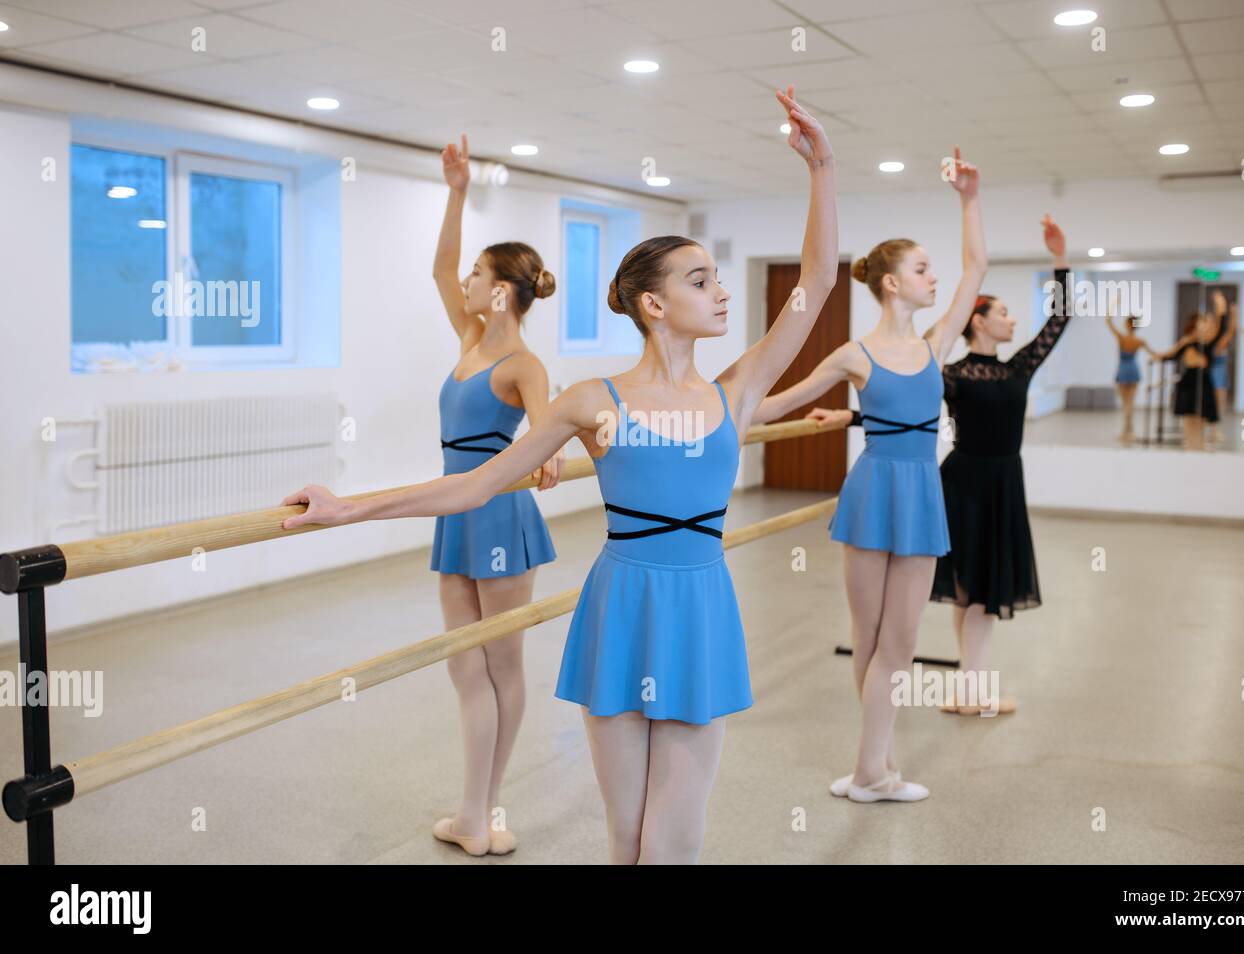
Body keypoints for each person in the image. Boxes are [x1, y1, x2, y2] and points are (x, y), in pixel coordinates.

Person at [280, 87, 838, 863]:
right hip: (620, 606)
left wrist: (822, 168)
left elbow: (816, 286)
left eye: (717, 278)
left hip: (700, 606)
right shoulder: (591, 401)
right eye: (701, 280)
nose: (720, 293)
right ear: (653, 303)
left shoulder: (734, 393)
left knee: (675, 840)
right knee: (626, 839)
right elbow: (476, 484)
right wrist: (348, 510)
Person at [750, 147, 987, 802]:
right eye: (920, 269)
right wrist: (710, 414)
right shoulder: (854, 353)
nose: (933, 278)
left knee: (900, 639)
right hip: (872, 490)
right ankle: (872, 770)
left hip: (918, 493)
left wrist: (969, 199)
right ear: (890, 282)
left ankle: (872, 765)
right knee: (870, 636)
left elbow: (976, 269)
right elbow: (778, 401)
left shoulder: (934, 343)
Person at [419, 134, 563, 856]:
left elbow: (546, 428)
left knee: (500, 666)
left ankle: (482, 809)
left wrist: (550, 459)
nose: (467, 282)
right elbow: (441, 267)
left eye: (481, 275)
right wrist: (456, 191)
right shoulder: (469, 337)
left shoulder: (522, 362)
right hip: (456, 511)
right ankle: (475, 812)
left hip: (500, 513)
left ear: (502, 289)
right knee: (462, 664)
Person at [929, 214, 1074, 716]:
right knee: (972, 592)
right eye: (1005, 313)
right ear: (978, 321)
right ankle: (972, 691)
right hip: (963, 482)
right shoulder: (952, 374)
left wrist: (1060, 260)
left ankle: (970, 690)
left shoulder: (1018, 368)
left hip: (1003, 483)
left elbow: (1060, 320)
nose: (1013, 320)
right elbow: (907, 399)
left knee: (980, 596)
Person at [1156, 313, 1219, 451]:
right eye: (1201, 324)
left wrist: (1221, 313)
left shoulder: (1207, 342)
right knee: (1189, 416)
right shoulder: (1187, 342)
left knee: (1201, 417)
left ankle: (1199, 445)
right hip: (1189, 381)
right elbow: (1172, 355)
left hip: (1203, 381)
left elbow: (1217, 333)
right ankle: (1191, 445)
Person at [1104, 313, 1153, 443]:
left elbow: (1108, 322)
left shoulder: (1122, 338)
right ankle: (1129, 431)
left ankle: (1126, 432)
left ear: (1127, 324)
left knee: (1126, 405)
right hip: (1133, 370)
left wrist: (1111, 309)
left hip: (1123, 371)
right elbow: (1154, 354)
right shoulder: (1139, 341)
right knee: (1130, 404)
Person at [1207, 290, 1239, 443]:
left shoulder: (1221, 341)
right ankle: (1214, 430)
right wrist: (1222, 308)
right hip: (1215, 374)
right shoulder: (1214, 342)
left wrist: (1233, 315)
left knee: (1220, 405)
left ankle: (1216, 430)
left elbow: (1230, 330)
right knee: (1216, 404)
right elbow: (1225, 328)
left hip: (1220, 374)